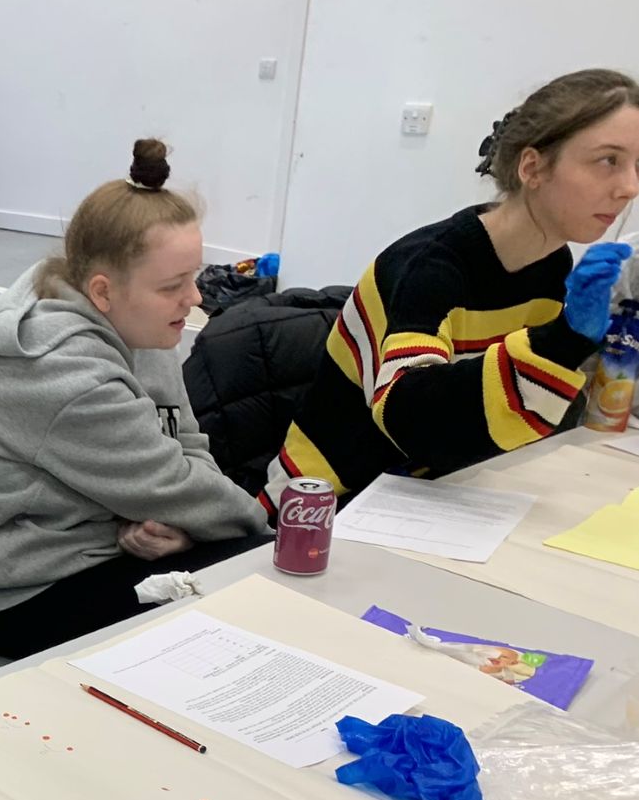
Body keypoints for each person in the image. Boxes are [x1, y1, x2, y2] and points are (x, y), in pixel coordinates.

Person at [0, 139, 269, 659]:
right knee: (262, 578)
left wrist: (186, 527)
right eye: (173, 285)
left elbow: (186, 446)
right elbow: (176, 484)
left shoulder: (140, 325)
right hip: (27, 592)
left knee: (251, 571)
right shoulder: (65, 376)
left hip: (101, 544)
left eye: (195, 278)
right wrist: (263, 531)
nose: (196, 298)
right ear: (102, 290)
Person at [264, 69, 639, 508]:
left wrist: (571, 346)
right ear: (533, 167)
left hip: (446, 487)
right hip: (332, 497)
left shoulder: (551, 263)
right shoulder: (433, 267)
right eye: (608, 161)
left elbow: (512, 412)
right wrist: (561, 341)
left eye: (637, 165)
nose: (629, 188)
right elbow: (408, 419)